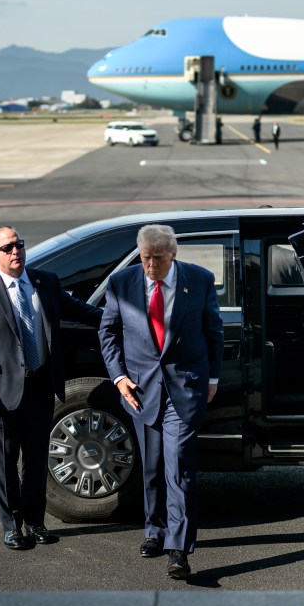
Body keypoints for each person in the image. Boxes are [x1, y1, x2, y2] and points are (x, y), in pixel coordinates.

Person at [0, 226, 103, 550]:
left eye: (19, 244)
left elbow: (78, 310)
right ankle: (12, 527)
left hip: (40, 387)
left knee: (36, 462)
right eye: (7, 247)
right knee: (5, 464)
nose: (15, 251)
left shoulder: (45, 282)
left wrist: (119, 320)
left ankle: (35, 522)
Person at [99, 225, 224, 580]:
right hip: (140, 389)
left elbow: (213, 331)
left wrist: (212, 378)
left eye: (157, 258)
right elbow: (107, 331)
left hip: (185, 389)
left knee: (179, 468)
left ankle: (178, 549)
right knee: (151, 467)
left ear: (174, 254)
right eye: (145, 258)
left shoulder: (199, 280)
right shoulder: (122, 283)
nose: (150, 265)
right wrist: (119, 377)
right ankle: (154, 531)